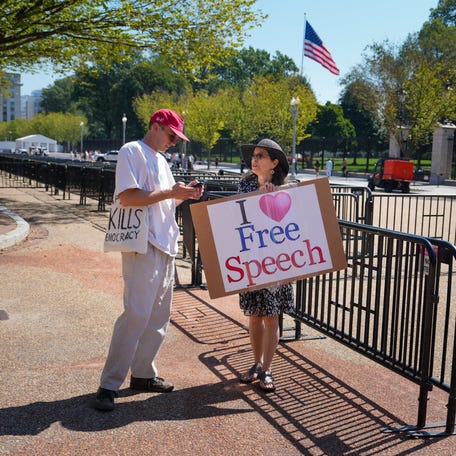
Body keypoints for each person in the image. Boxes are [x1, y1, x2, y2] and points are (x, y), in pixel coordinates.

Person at [94, 109, 204, 411]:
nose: (173, 142)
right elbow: (128, 197)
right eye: (171, 135)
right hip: (143, 244)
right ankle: (109, 383)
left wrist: (183, 194)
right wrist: (172, 191)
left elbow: (163, 200)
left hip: (163, 243)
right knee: (136, 315)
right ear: (155, 127)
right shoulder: (133, 150)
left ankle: (143, 373)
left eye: (176, 138)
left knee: (157, 317)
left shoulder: (160, 160)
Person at [237, 138, 295, 393]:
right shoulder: (245, 185)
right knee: (255, 316)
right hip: (252, 260)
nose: (255, 159)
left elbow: (294, 228)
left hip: (277, 262)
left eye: (261, 155)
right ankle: (256, 363)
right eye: (254, 155)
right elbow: (236, 219)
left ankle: (268, 369)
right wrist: (255, 199)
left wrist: (272, 201)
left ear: (274, 163)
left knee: (271, 317)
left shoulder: (289, 189)